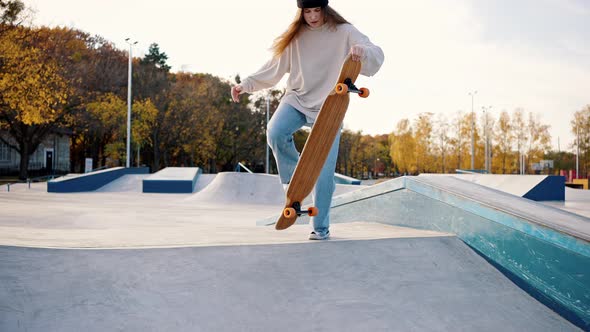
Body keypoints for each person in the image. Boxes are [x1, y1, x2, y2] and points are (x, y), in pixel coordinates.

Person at [231, 0, 384, 240]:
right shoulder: (295, 37)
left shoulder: (344, 32)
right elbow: (272, 69)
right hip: (296, 99)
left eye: (316, 10)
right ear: (301, 12)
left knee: (324, 175)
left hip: (329, 107)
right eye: (307, 11)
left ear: (325, 9)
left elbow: (376, 52)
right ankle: (295, 179)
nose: (312, 16)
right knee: (275, 131)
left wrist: (362, 51)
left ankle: (320, 228)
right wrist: (245, 85)